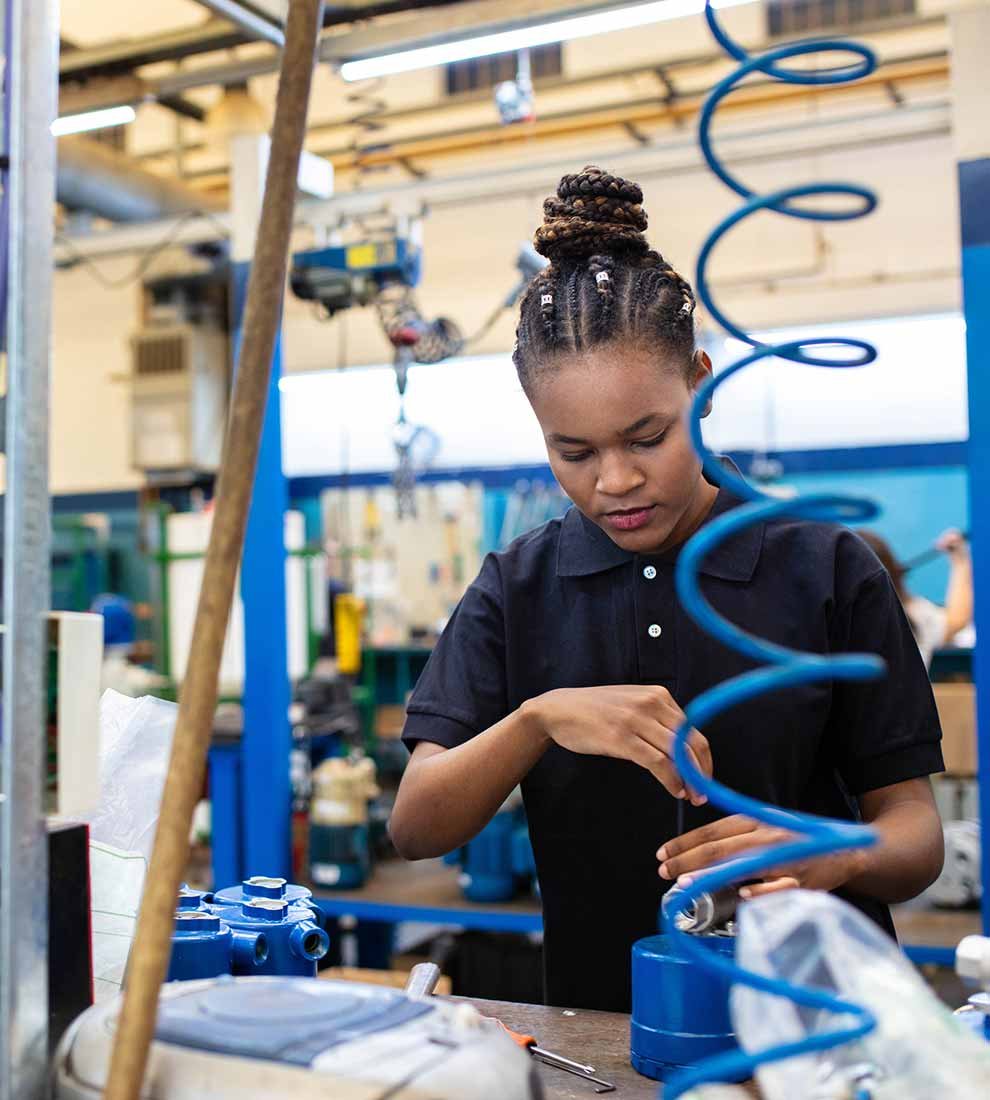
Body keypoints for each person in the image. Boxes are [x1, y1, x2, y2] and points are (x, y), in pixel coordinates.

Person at [389, 167, 945, 1012]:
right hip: (607, 1030)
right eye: (573, 453)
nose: (615, 480)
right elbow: (417, 824)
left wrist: (836, 852)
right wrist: (540, 718)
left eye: (646, 437)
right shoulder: (521, 585)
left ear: (701, 383)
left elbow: (916, 835)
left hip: (813, 1025)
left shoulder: (825, 566)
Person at [858, 530, 973, 669]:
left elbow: (954, 622)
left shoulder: (914, 614)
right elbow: (955, 621)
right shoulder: (913, 614)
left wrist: (960, 560)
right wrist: (960, 560)